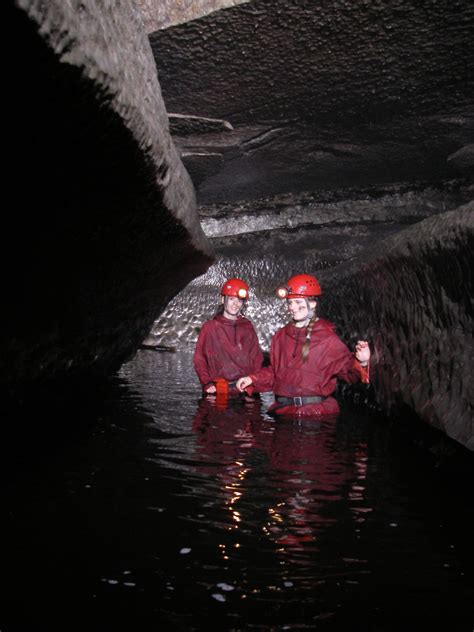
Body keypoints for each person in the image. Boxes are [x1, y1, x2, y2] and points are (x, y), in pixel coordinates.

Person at [236, 273, 371, 417]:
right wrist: (252, 379)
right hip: (285, 413)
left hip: (314, 416)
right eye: (290, 302)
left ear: (312, 303)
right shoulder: (281, 336)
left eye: (298, 302)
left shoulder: (327, 339)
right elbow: (276, 372)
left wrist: (361, 362)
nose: (292, 307)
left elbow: (348, 372)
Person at [193, 277, 264, 398]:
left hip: (244, 390)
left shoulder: (247, 327)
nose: (235, 304)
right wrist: (207, 383)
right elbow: (200, 358)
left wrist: (252, 380)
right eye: (231, 299)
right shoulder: (210, 327)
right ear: (222, 299)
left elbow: (257, 357)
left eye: (239, 301)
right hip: (218, 390)